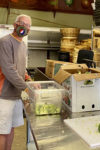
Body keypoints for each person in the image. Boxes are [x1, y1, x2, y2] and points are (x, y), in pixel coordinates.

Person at [0, 14, 31, 150]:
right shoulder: (5, 42)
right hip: (5, 95)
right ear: (15, 24)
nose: (25, 27)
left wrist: (29, 79)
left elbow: (20, 69)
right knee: (3, 132)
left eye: (28, 25)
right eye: (22, 23)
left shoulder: (23, 45)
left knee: (11, 129)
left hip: (16, 95)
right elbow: (9, 70)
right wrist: (26, 88)